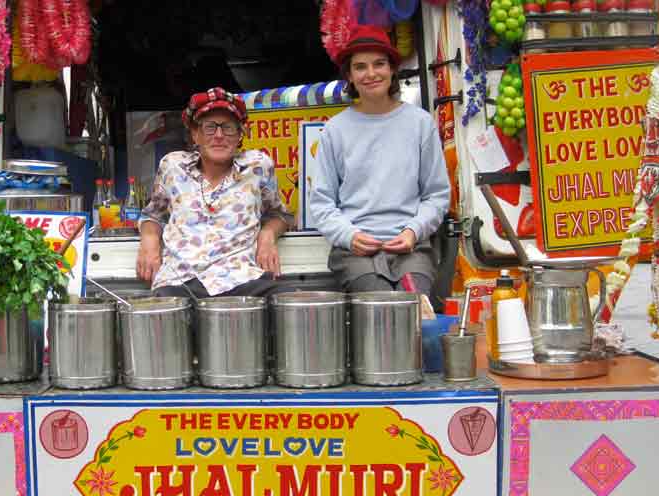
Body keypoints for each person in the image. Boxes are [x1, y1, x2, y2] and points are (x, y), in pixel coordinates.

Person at [309, 25, 450, 295]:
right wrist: (350, 237)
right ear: (349, 76)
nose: (371, 73)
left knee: (414, 305)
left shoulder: (420, 123)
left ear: (393, 69)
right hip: (356, 253)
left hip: (412, 247)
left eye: (379, 64)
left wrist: (413, 231)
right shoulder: (335, 130)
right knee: (379, 306)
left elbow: (437, 195)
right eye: (360, 67)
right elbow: (323, 203)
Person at [137, 87, 294, 298]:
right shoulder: (172, 166)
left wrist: (267, 236)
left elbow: (280, 215)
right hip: (180, 280)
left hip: (240, 278)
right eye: (210, 127)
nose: (219, 135)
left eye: (228, 127)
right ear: (195, 134)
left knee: (292, 302)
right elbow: (153, 215)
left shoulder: (257, 166)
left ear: (240, 135)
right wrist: (149, 241)